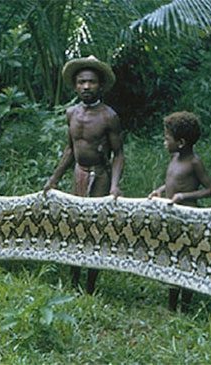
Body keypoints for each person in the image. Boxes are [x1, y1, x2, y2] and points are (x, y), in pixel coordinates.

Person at [43, 55, 124, 294]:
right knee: (75, 225)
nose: (86, 86)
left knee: (94, 229)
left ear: (100, 85)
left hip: (100, 176)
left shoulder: (109, 116)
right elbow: (70, 150)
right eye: (81, 82)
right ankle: (73, 280)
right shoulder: (71, 113)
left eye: (91, 82)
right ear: (75, 85)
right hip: (79, 174)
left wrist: (114, 186)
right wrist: (54, 179)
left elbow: (118, 153)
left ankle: (90, 286)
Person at [148, 111, 211, 311]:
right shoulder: (175, 157)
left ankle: (185, 306)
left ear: (181, 142)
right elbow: (171, 181)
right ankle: (171, 306)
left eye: (167, 138)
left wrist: (184, 197)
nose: (164, 142)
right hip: (173, 217)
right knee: (173, 259)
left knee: (186, 261)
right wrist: (160, 191)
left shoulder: (194, 162)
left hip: (188, 217)